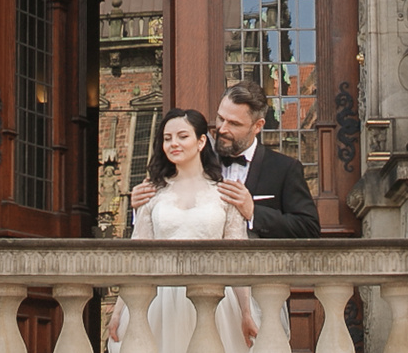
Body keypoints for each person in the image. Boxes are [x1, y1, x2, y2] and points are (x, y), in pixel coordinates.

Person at [91, 108, 269, 353]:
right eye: (168, 138)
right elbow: (137, 254)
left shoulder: (224, 193)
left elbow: (236, 257)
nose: (173, 143)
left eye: (182, 136)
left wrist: (245, 311)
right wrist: (119, 310)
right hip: (162, 307)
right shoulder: (152, 193)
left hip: (212, 306)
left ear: (202, 141)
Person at [130, 80, 322, 239]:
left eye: (234, 123)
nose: (222, 129)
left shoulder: (284, 169)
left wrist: (253, 211)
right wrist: (141, 206)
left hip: (261, 279)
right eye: (221, 118)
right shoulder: (194, 158)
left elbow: (309, 229)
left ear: (257, 126)